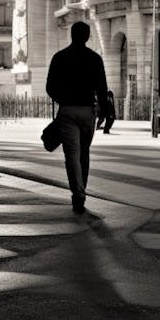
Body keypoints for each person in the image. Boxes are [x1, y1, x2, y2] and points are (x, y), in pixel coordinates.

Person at [46, 20, 108, 214]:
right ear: (88, 36)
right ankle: (82, 189)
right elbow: (102, 87)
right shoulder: (95, 58)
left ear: (71, 35)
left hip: (68, 111)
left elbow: (50, 87)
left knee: (71, 155)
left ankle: (78, 194)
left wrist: (62, 99)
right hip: (88, 110)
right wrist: (104, 110)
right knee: (84, 153)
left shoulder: (59, 57)